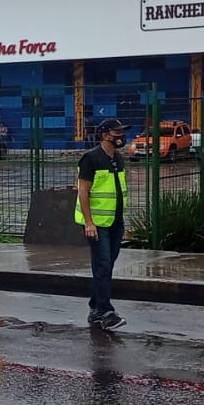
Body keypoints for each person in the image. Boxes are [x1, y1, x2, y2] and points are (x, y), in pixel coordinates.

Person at [76, 118, 130, 329]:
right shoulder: (91, 159)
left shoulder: (118, 159)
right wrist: (89, 223)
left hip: (116, 222)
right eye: (117, 133)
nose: (121, 137)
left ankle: (95, 307)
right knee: (103, 265)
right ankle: (107, 312)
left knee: (106, 267)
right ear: (105, 135)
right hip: (98, 224)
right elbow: (83, 191)